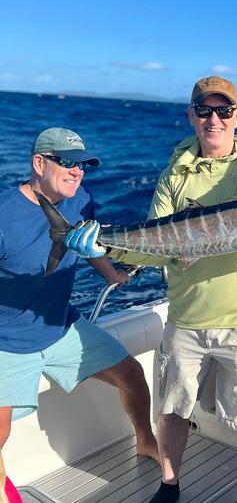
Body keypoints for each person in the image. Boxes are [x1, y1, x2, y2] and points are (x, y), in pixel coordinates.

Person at [66, 76, 237, 503]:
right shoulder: (175, 174)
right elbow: (159, 248)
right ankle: (169, 486)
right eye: (205, 110)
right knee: (170, 413)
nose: (214, 119)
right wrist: (106, 249)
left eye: (224, 111)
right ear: (192, 116)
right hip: (184, 318)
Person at [0, 128, 159, 464]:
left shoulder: (80, 198)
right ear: (39, 163)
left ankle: (146, 441)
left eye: (83, 164)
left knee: (132, 375)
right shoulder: (4, 214)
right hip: (8, 342)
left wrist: (111, 274)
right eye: (68, 162)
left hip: (62, 327)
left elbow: (87, 242)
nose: (77, 171)